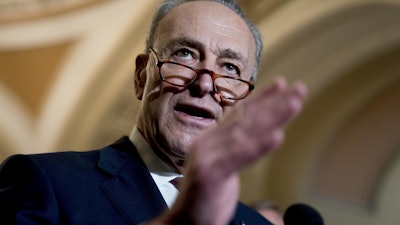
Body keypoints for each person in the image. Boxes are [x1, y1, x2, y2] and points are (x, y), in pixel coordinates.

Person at [0, 0, 307, 224]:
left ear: (243, 99)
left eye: (229, 68)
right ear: (140, 76)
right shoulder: (47, 182)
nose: (204, 83)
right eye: (185, 54)